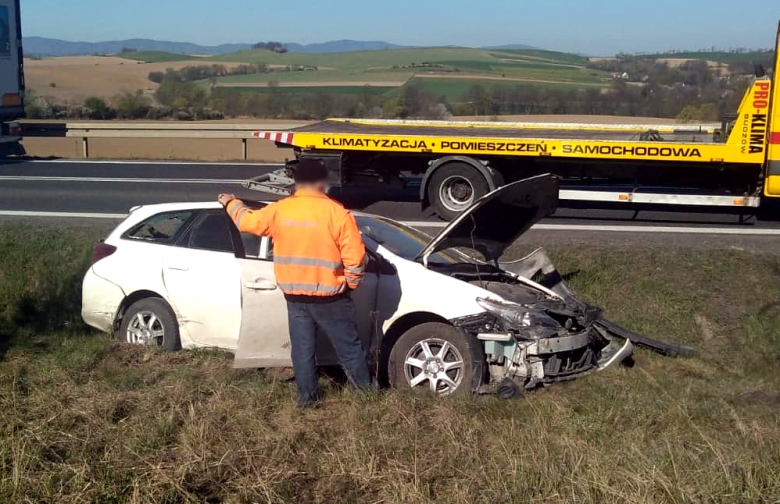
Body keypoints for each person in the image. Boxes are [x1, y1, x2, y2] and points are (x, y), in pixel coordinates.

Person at [218, 159, 372, 407]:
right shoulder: (337, 213)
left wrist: (231, 203)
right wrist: (351, 284)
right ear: (322, 182)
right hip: (331, 296)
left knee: (302, 350)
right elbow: (355, 258)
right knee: (349, 349)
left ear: (298, 182)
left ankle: (307, 400)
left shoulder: (280, 209)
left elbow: (247, 222)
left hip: (295, 297)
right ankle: (367, 398)